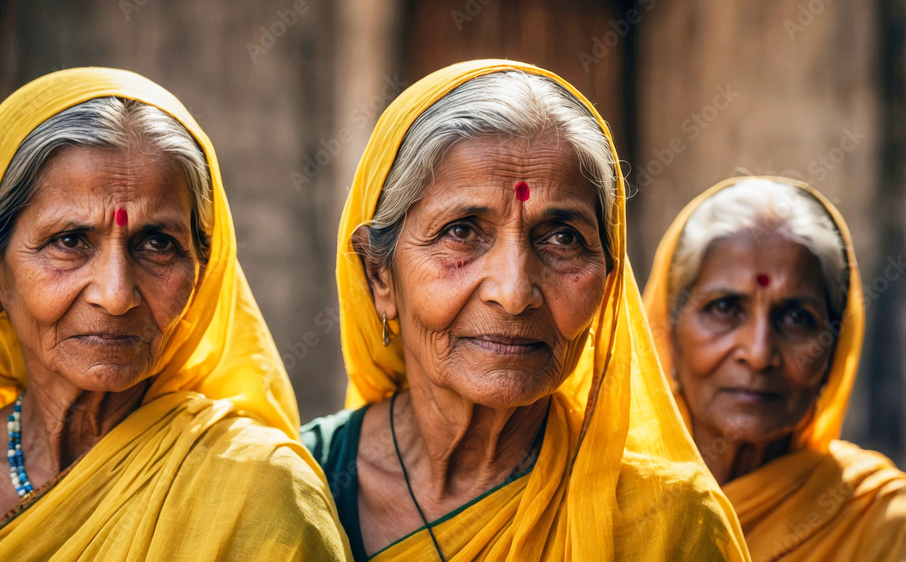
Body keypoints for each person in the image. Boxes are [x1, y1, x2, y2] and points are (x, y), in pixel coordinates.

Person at [301, 59, 750, 561]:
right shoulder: (294, 488)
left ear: (608, 282)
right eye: (461, 231)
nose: (514, 293)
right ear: (379, 276)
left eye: (562, 238)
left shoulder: (669, 525)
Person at [0, 68, 350, 561]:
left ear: (202, 273)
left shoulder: (258, 492)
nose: (116, 296)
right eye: (69, 241)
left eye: (158, 244)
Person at [643, 176, 906, 560]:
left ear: (835, 350)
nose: (759, 353)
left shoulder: (882, 525)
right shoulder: (606, 499)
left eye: (797, 317)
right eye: (724, 307)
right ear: (668, 332)